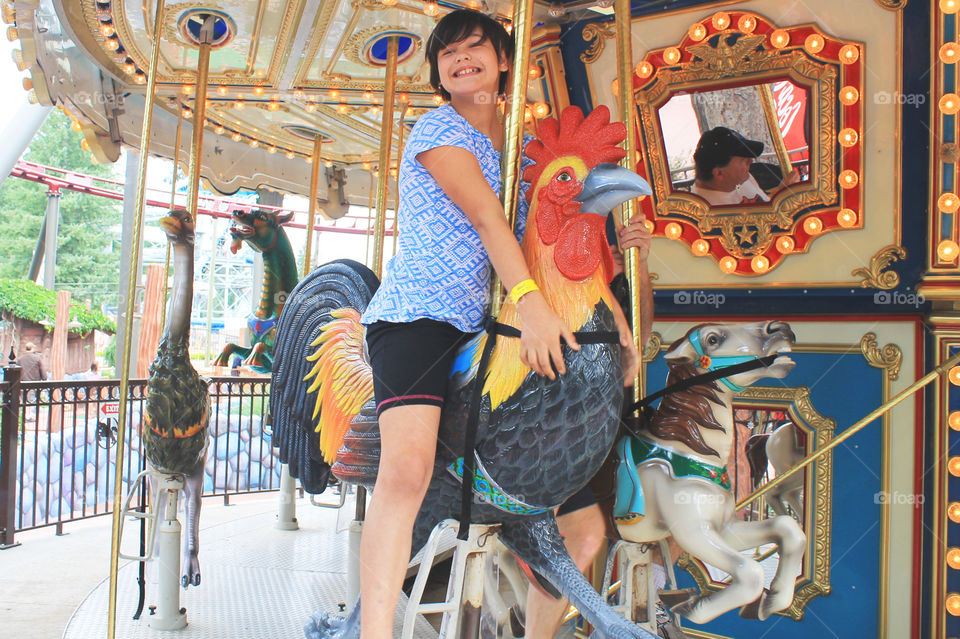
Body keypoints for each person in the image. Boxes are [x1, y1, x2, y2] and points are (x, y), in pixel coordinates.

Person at [356, 9, 643, 635]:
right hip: (420, 320)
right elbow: (488, 220)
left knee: (570, 487)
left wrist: (616, 273)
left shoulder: (512, 152)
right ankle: (375, 628)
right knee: (407, 472)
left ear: (504, 60)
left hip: (489, 324)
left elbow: (545, 236)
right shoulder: (439, 129)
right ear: (437, 71)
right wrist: (533, 305)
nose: (461, 58)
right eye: (448, 52)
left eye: (475, 47)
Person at [524, 213, 653, 639]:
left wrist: (639, 265)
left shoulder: (612, 278)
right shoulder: (548, 267)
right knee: (556, 530)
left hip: (592, 422)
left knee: (608, 520)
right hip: (548, 417)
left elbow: (641, 336)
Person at [690, 126, 799, 206]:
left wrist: (781, 191)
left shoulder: (740, 178)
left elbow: (764, 204)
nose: (751, 161)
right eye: (743, 159)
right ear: (719, 173)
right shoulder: (707, 211)